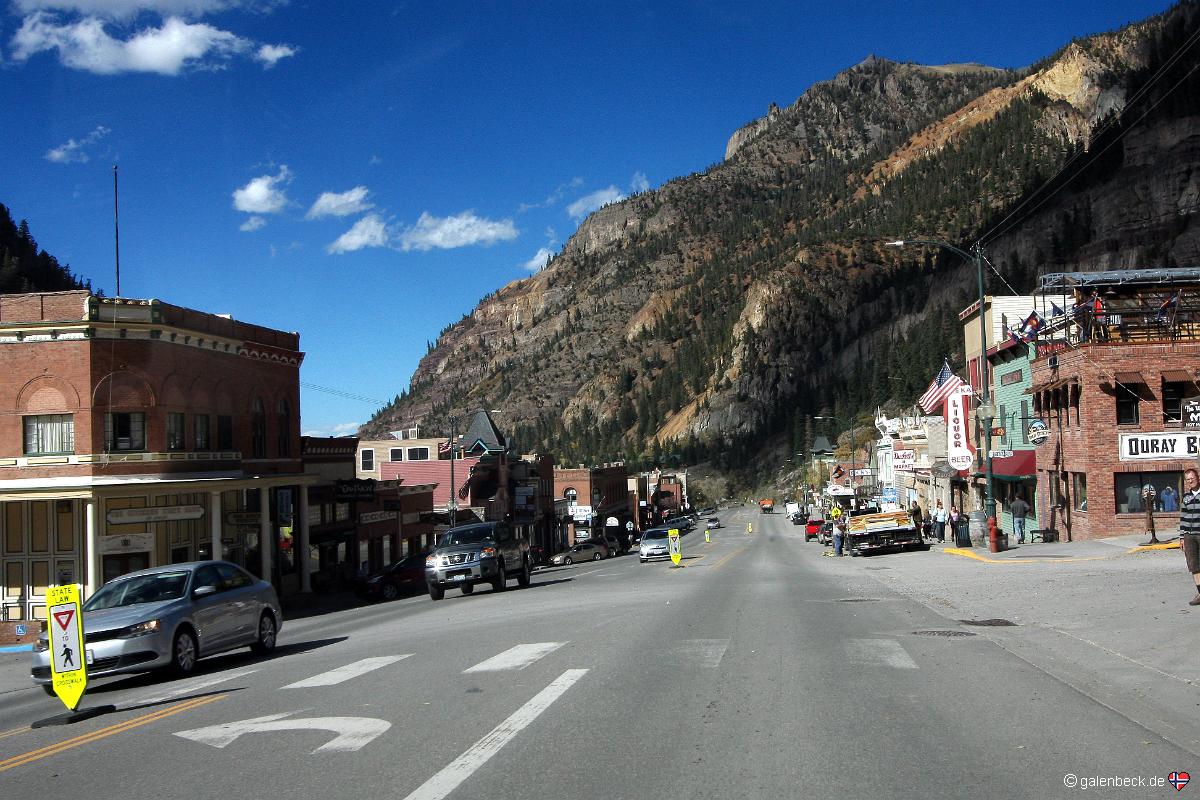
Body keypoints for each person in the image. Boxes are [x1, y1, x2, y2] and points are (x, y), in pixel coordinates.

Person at [1180, 468, 1200, 606]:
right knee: (1194, 566)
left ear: (1197, 477)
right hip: (1189, 536)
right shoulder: (1186, 497)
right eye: (1188, 479)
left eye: (1192, 478)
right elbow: (1183, 518)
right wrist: (1182, 537)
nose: (1190, 481)